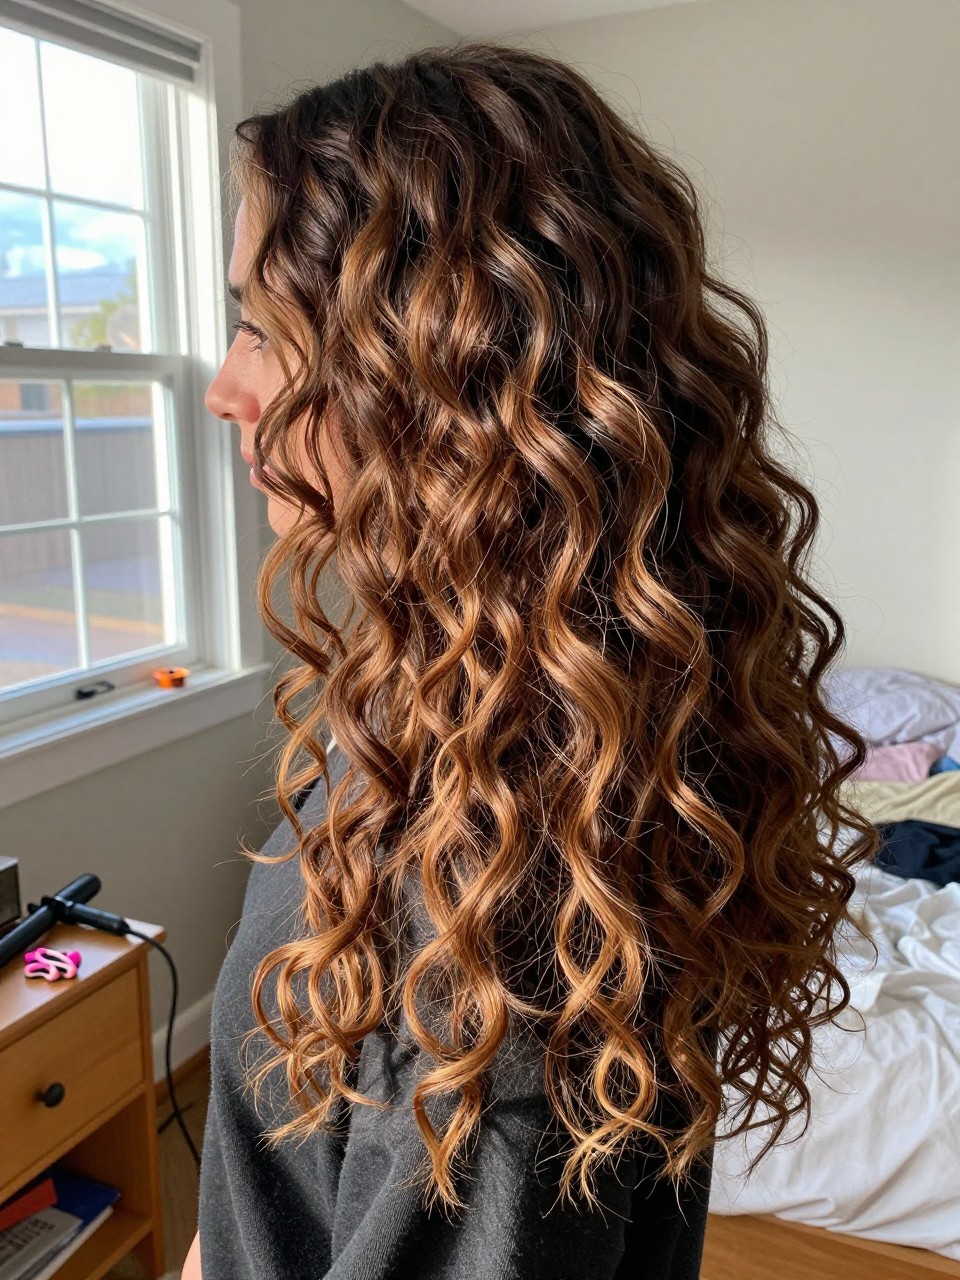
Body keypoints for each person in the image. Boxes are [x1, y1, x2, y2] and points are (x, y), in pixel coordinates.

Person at [183, 40, 880, 1280]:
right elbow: (274, 1166)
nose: (223, 387)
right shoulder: (463, 699)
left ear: (437, 362)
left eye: (256, 328)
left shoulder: (499, 868)